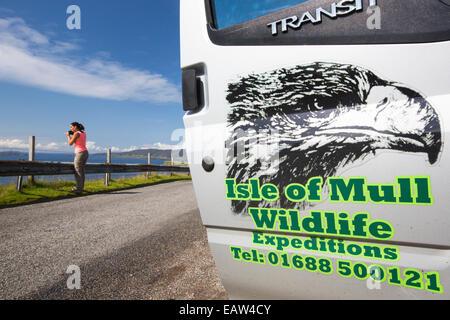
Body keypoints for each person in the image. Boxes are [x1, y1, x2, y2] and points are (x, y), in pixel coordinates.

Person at [65, 122, 89, 195]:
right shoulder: (83, 133)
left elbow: (70, 143)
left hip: (80, 153)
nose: (71, 128)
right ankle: (80, 187)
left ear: (75, 127)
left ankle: (78, 189)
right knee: (81, 171)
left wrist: (68, 136)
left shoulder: (76, 134)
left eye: (71, 127)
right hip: (85, 152)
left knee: (78, 171)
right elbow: (78, 141)